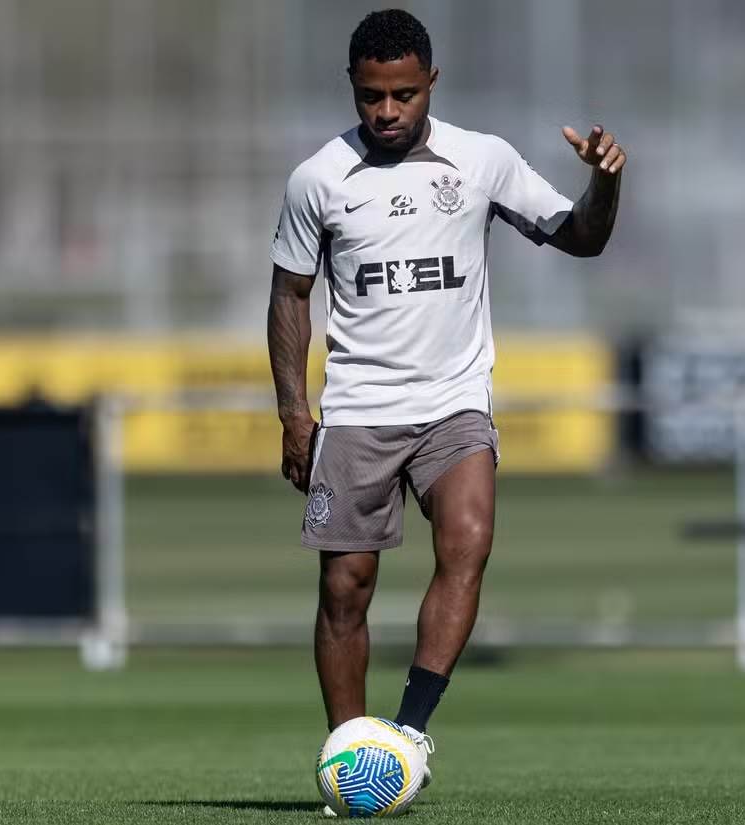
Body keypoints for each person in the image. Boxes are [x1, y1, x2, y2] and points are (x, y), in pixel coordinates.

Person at [267, 7, 624, 803]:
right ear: (352, 90)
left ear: (431, 82)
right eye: (370, 97)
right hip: (358, 406)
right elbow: (290, 294)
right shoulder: (318, 179)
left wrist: (605, 181)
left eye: (402, 94)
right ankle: (350, 761)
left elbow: (582, 237)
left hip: (454, 402)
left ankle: (410, 731)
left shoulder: (481, 160)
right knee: (345, 589)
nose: (387, 112)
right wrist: (295, 411)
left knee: (468, 540)